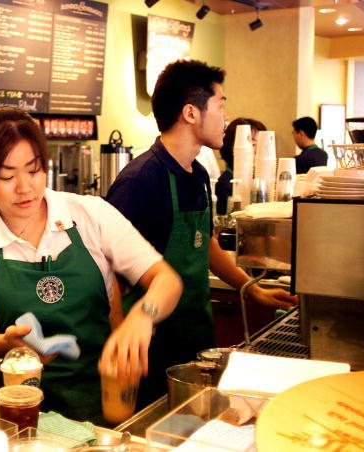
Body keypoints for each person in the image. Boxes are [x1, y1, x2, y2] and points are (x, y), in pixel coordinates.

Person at [0, 107, 182, 423]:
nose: (24, 187)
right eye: (7, 175)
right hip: (24, 414)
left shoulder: (90, 214)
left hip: (104, 405)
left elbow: (166, 280)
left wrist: (143, 316)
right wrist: (6, 343)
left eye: (34, 170)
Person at [106, 60, 297, 407]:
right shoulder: (140, 181)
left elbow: (204, 241)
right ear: (192, 113)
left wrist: (251, 289)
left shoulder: (194, 174)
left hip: (195, 338)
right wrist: (120, 340)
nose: (226, 117)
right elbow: (107, 274)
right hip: (150, 349)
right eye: (221, 105)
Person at [215, 118, 266, 214]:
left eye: (262, 144)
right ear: (233, 147)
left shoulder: (259, 182)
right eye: (253, 144)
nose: (259, 151)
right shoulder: (226, 184)